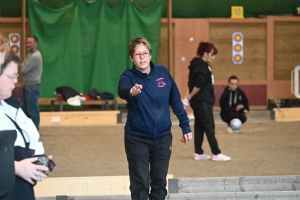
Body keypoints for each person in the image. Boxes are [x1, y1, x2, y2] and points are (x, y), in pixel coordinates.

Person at [118, 37, 192, 200]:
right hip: (137, 138)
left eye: (145, 53)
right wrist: (132, 92)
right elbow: (123, 90)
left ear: (150, 54)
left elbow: (175, 100)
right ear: (132, 58)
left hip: (163, 138)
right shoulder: (128, 76)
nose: (142, 57)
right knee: (140, 184)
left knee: (159, 184)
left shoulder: (162, 72)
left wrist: (185, 126)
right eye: (137, 54)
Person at [0, 50, 50, 200]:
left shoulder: (13, 107)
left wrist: (40, 161)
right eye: (12, 76)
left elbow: (33, 138)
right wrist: (16, 167)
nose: (15, 81)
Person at [186, 41, 231, 162]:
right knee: (209, 125)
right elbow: (199, 84)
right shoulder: (201, 66)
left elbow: (190, 83)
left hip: (198, 101)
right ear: (205, 54)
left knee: (200, 126)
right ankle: (216, 153)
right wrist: (190, 95)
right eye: (212, 54)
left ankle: (198, 152)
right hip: (202, 101)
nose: (213, 57)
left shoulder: (196, 65)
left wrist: (189, 96)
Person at [20, 35, 43, 130]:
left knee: (32, 110)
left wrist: (20, 64)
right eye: (27, 42)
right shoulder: (30, 55)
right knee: (25, 110)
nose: (28, 44)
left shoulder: (35, 56)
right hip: (28, 86)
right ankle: (29, 130)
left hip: (32, 86)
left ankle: (34, 131)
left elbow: (23, 70)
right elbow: (22, 65)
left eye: (30, 42)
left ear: (36, 43)